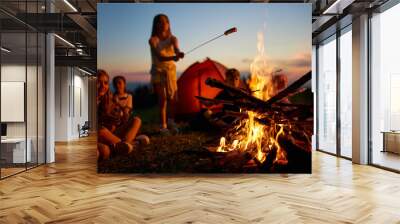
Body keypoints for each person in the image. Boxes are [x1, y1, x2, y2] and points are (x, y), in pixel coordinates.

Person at [97, 70, 147, 161]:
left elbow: (117, 115)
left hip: (111, 133)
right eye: (98, 82)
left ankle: (122, 145)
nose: (103, 86)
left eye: (105, 83)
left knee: (136, 120)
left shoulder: (107, 98)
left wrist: (117, 119)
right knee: (102, 140)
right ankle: (133, 144)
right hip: (98, 135)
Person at [149, 14, 184, 135]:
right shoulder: (153, 40)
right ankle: (163, 126)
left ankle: (171, 122)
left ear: (168, 24)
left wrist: (179, 54)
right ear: (156, 25)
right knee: (162, 99)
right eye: (160, 22)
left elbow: (177, 49)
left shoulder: (173, 38)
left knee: (172, 98)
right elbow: (159, 56)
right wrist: (174, 57)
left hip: (170, 72)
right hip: (158, 72)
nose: (163, 24)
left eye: (165, 22)